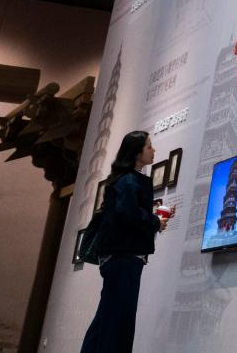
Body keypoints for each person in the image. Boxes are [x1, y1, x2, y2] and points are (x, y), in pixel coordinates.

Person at [81, 131, 176, 352]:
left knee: (106, 317)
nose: (153, 150)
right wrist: (155, 221)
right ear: (136, 153)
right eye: (149, 147)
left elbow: (126, 212)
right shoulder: (130, 180)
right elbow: (129, 214)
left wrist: (153, 218)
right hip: (124, 257)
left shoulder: (123, 180)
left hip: (118, 257)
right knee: (119, 320)